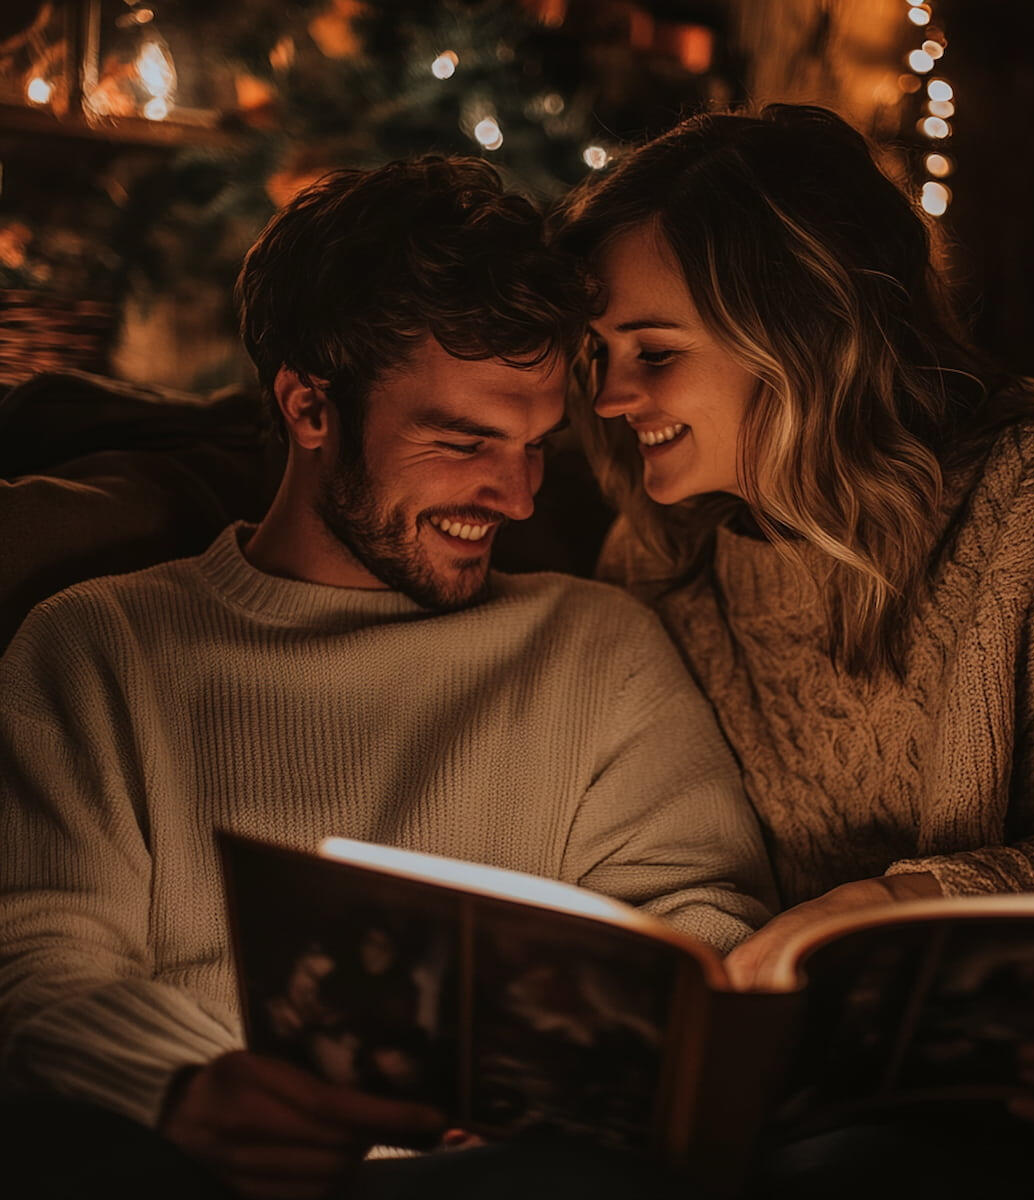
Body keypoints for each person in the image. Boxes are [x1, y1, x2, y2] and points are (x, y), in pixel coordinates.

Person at [0, 156, 774, 1200]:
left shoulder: (597, 646)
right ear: (311, 409)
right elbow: (38, 959)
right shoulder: (102, 649)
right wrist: (182, 1086)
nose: (515, 496)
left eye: (539, 445)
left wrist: (559, 1085)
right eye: (464, 441)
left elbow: (701, 918)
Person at [556, 104, 1034, 1192]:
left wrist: (897, 901)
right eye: (602, 355)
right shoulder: (659, 555)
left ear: (799, 333)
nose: (615, 399)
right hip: (773, 1089)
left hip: (1016, 1097)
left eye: (655, 353)